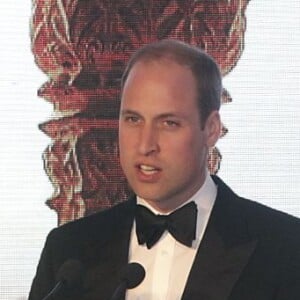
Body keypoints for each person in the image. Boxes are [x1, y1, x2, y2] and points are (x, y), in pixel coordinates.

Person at [29, 39, 300, 300]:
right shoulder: (68, 250)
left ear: (212, 129)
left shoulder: (285, 247)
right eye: (133, 119)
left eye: (169, 123)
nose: (146, 145)